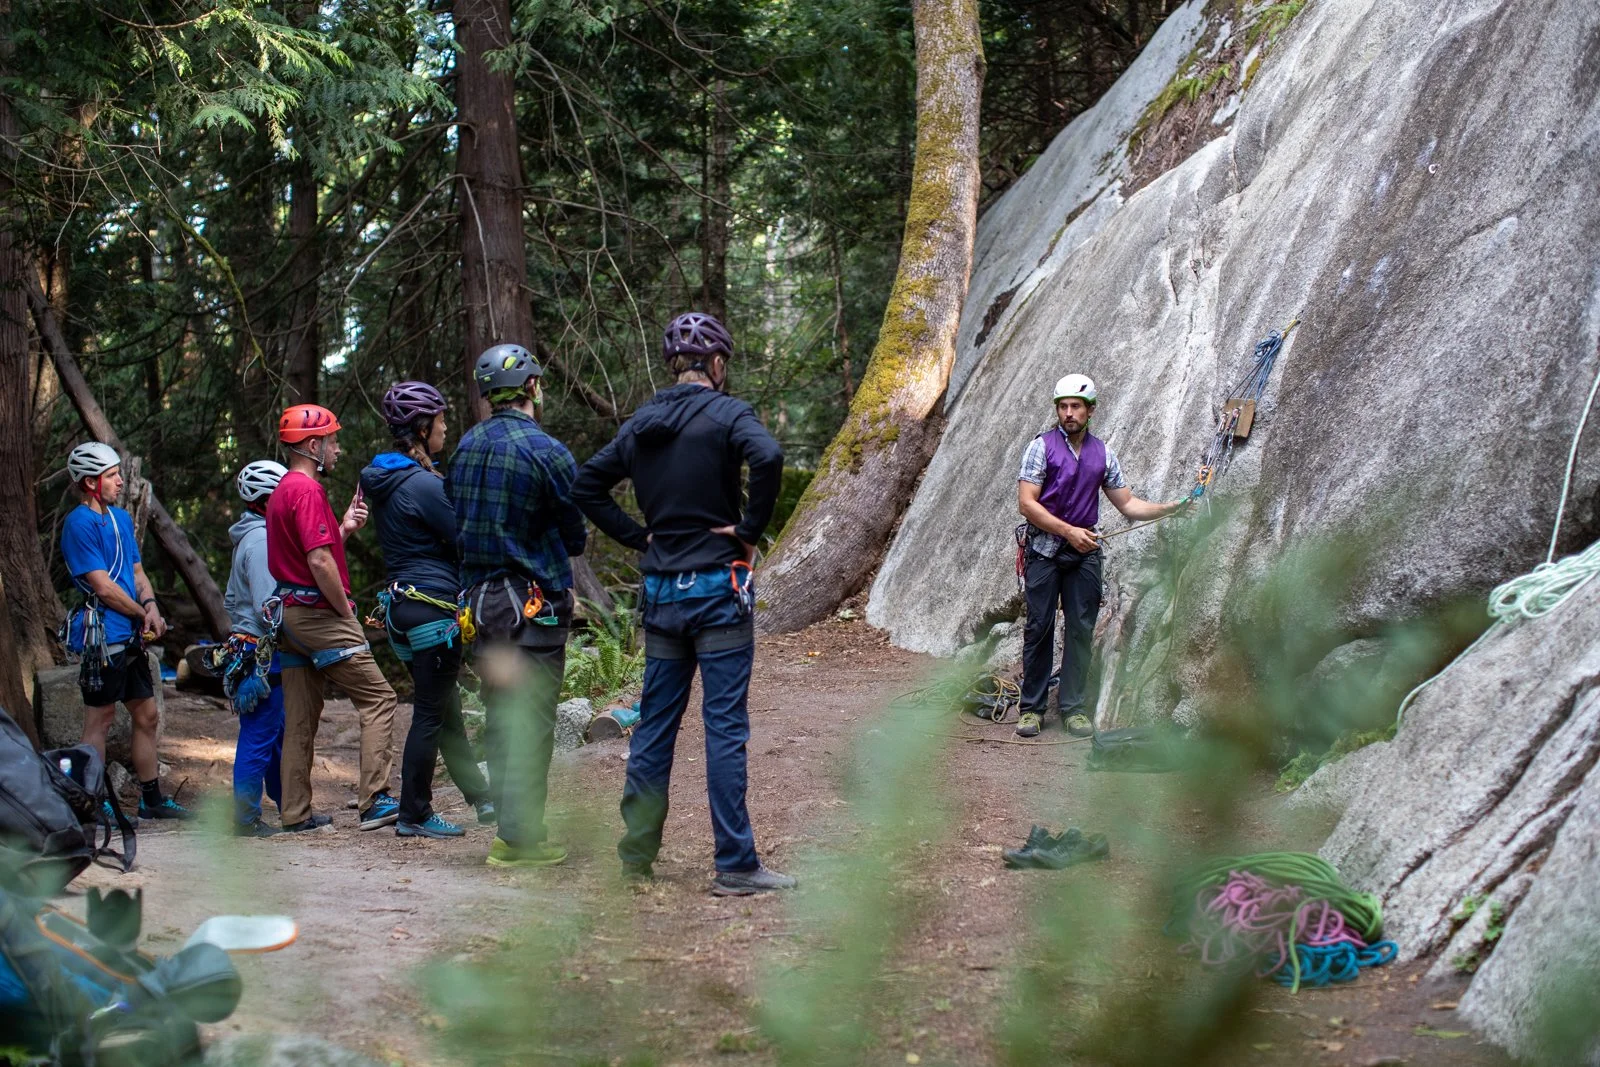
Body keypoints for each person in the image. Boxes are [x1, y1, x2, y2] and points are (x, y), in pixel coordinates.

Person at [572, 312, 794, 896]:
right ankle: (735, 865)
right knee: (723, 728)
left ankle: (635, 858)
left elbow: (586, 484)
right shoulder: (728, 413)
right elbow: (768, 457)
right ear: (716, 364)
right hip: (717, 589)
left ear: (674, 366)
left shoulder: (641, 424)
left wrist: (638, 537)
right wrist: (747, 529)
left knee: (654, 727)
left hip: (662, 595)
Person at [447, 345, 586, 868]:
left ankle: (510, 832)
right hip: (534, 611)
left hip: (483, 612)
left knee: (503, 717)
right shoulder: (547, 451)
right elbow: (574, 536)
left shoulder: (464, 448)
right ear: (531, 387)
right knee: (533, 722)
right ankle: (521, 839)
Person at [1014, 375, 1186, 738]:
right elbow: (1027, 503)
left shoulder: (1103, 454)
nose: (1068, 413)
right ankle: (1031, 709)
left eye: (1076, 406)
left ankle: (1073, 709)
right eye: (1063, 407)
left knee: (1081, 629)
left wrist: (1168, 508)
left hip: (1085, 554)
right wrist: (1068, 531)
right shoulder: (1040, 448)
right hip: (1044, 550)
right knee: (1039, 627)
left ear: (1090, 411)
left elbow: (1128, 503)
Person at [360, 381, 495, 840]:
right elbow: (464, 539)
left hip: (402, 611)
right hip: (433, 611)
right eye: (440, 420)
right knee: (429, 716)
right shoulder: (423, 484)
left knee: (443, 707)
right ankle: (414, 811)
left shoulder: (389, 482)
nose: (445, 427)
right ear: (422, 429)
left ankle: (481, 797)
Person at [265, 403, 399, 832]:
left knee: (300, 718)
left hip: (290, 617)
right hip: (319, 615)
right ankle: (375, 800)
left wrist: (343, 530)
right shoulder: (307, 491)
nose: (338, 449)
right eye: (333, 441)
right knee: (380, 699)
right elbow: (319, 562)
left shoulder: (283, 491)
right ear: (312, 445)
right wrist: (345, 612)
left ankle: (294, 813)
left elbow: (308, 555)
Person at [59, 441, 192, 820]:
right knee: (99, 720)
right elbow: (103, 587)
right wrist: (140, 614)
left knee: (147, 714)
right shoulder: (78, 524)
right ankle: (92, 802)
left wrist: (151, 607)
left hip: (130, 635)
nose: (121, 481)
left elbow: (136, 572)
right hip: (103, 637)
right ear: (90, 482)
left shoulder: (119, 518)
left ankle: (152, 800)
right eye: (112, 475)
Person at [222, 459, 289, 837]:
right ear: (266, 502)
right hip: (262, 654)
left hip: (252, 649)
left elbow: (234, 602)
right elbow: (269, 608)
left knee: (274, 735)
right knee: (259, 735)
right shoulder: (261, 541)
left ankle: (289, 806)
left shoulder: (251, 536)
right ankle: (245, 819)